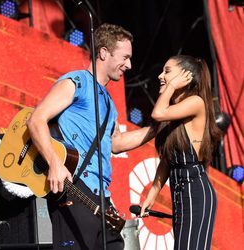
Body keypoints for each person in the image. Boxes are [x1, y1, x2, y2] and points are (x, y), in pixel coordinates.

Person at [27, 23, 156, 250]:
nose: (129, 65)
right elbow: (36, 120)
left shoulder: (109, 103)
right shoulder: (75, 82)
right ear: (104, 52)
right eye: (125, 57)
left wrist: (157, 130)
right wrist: (55, 164)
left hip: (101, 196)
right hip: (74, 187)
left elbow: (115, 145)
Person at [140, 55, 221, 250]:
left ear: (186, 76)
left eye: (167, 72)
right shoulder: (176, 111)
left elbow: (157, 113)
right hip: (181, 193)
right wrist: (152, 194)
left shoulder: (196, 101)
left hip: (195, 190)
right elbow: (168, 161)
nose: (160, 75)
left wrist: (169, 87)